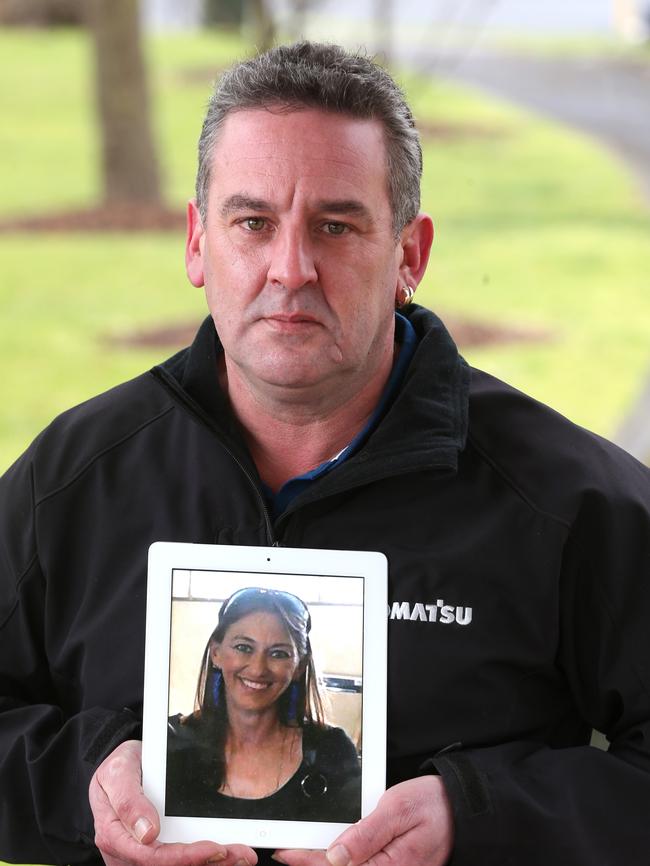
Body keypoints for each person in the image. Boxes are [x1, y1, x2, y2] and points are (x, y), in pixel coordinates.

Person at [0, 38, 649, 866]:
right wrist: (81, 779)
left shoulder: (562, 502)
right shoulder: (75, 480)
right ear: (197, 243)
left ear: (408, 255)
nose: (290, 268)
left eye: (336, 226)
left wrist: (480, 817)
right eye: (253, 222)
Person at [165, 587, 360, 822]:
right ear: (216, 653)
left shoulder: (332, 751)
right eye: (243, 648)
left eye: (278, 654)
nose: (258, 669)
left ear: (299, 666)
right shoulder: (170, 740)